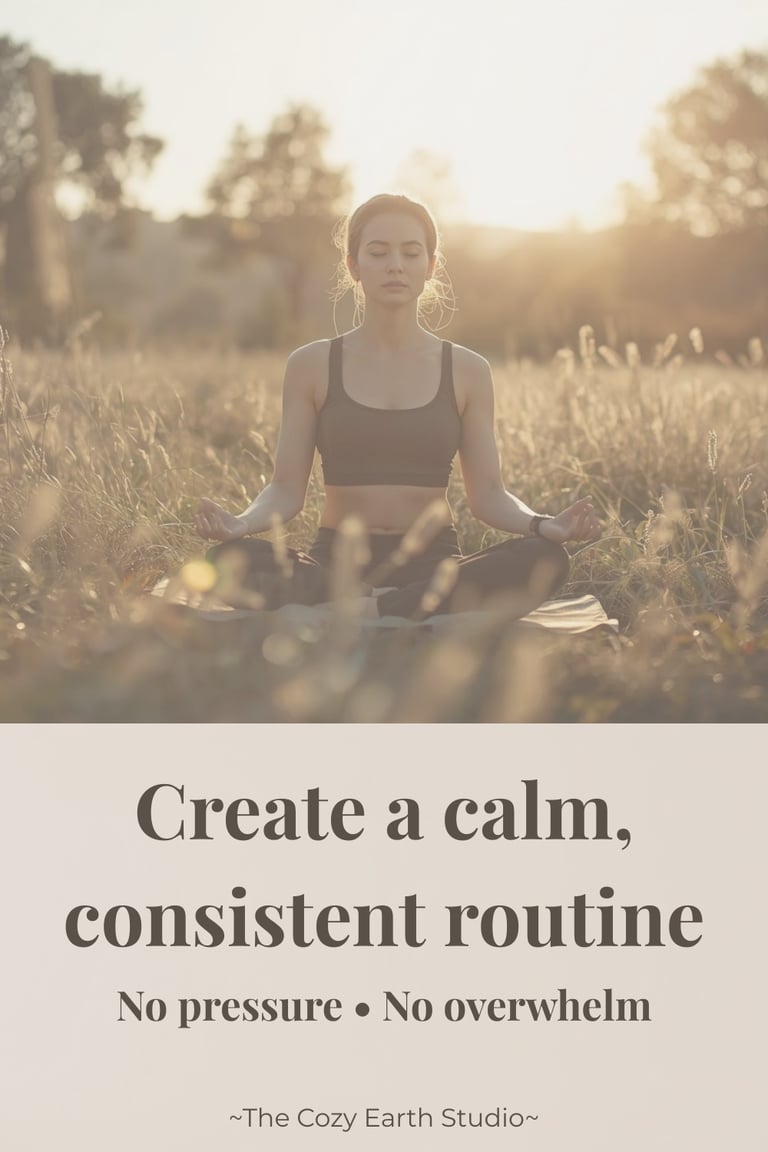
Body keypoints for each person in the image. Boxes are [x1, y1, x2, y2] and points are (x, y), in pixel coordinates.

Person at [195, 193, 601, 619]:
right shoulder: (311, 364)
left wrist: (544, 525)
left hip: (434, 566)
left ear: (429, 267)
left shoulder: (467, 369)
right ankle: (401, 609)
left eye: (410, 253)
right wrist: (240, 523)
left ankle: (369, 609)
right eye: (378, 252)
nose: (395, 265)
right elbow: (284, 491)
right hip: (335, 564)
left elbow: (489, 497)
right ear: (353, 266)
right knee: (226, 563)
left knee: (546, 558)